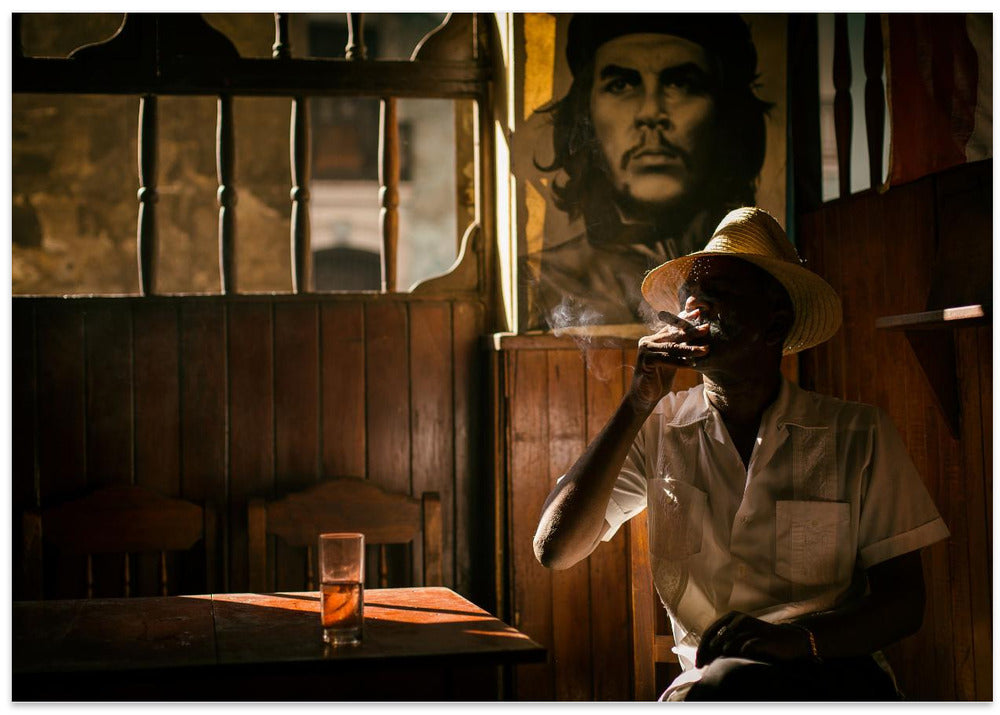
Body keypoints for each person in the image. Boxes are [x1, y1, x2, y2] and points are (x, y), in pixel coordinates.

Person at [532, 207, 950, 700]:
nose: (698, 310)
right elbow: (554, 550)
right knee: (729, 681)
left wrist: (796, 640)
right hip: (712, 687)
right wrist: (637, 402)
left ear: (774, 324)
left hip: (830, 672)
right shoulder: (659, 428)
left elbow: (904, 603)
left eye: (721, 296)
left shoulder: (857, 433)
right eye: (692, 297)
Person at [525, 14, 772, 329]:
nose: (651, 112)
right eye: (622, 84)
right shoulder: (551, 280)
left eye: (681, 83)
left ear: (724, 116)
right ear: (585, 112)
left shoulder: (758, 278)